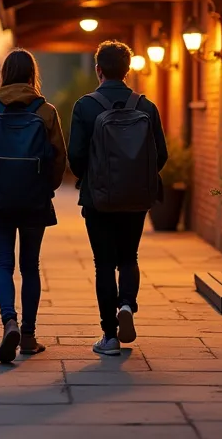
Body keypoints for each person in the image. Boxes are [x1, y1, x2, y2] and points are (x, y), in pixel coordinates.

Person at [0, 49, 67, 364]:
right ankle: (29, 336)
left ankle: (9, 320)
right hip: (35, 200)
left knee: (3, 264)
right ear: (32, 75)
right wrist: (46, 188)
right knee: (30, 266)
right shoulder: (46, 111)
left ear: (4, 74)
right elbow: (60, 158)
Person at [67, 41, 168, 356]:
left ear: (98, 69)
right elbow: (161, 155)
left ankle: (109, 337)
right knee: (129, 257)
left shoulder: (85, 107)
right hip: (135, 198)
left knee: (103, 264)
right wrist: (135, 177)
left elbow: (75, 157)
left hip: (98, 199)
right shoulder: (146, 107)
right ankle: (126, 304)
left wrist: (92, 178)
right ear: (127, 70)